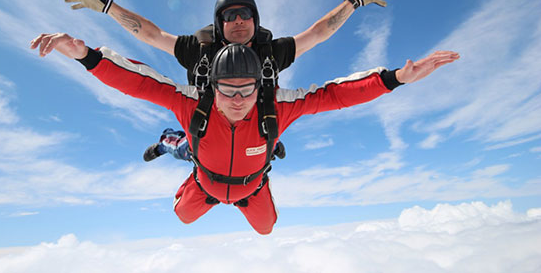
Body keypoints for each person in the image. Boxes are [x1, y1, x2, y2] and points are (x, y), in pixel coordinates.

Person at [30, 32, 459, 235]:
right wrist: (84, 55)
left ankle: (207, 149)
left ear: (260, 85)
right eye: (227, 90)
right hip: (206, 180)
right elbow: (138, 80)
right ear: (212, 86)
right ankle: (174, 143)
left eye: (247, 89)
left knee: (268, 229)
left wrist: (396, 78)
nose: (237, 99)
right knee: (181, 216)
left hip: (252, 186)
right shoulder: (191, 104)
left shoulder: (277, 106)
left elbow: (336, 95)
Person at [62, 0, 398, 162]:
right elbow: (150, 34)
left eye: (245, 14)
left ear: (255, 20)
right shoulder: (200, 51)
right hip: (207, 126)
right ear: (218, 24)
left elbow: (319, 32)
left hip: (257, 118)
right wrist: (106, 7)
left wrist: (355, 1)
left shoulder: (271, 51)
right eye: (229, 16)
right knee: (189, 153)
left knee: (268, 137)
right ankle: (167, 141)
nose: (238, 21)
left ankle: (271, 142)